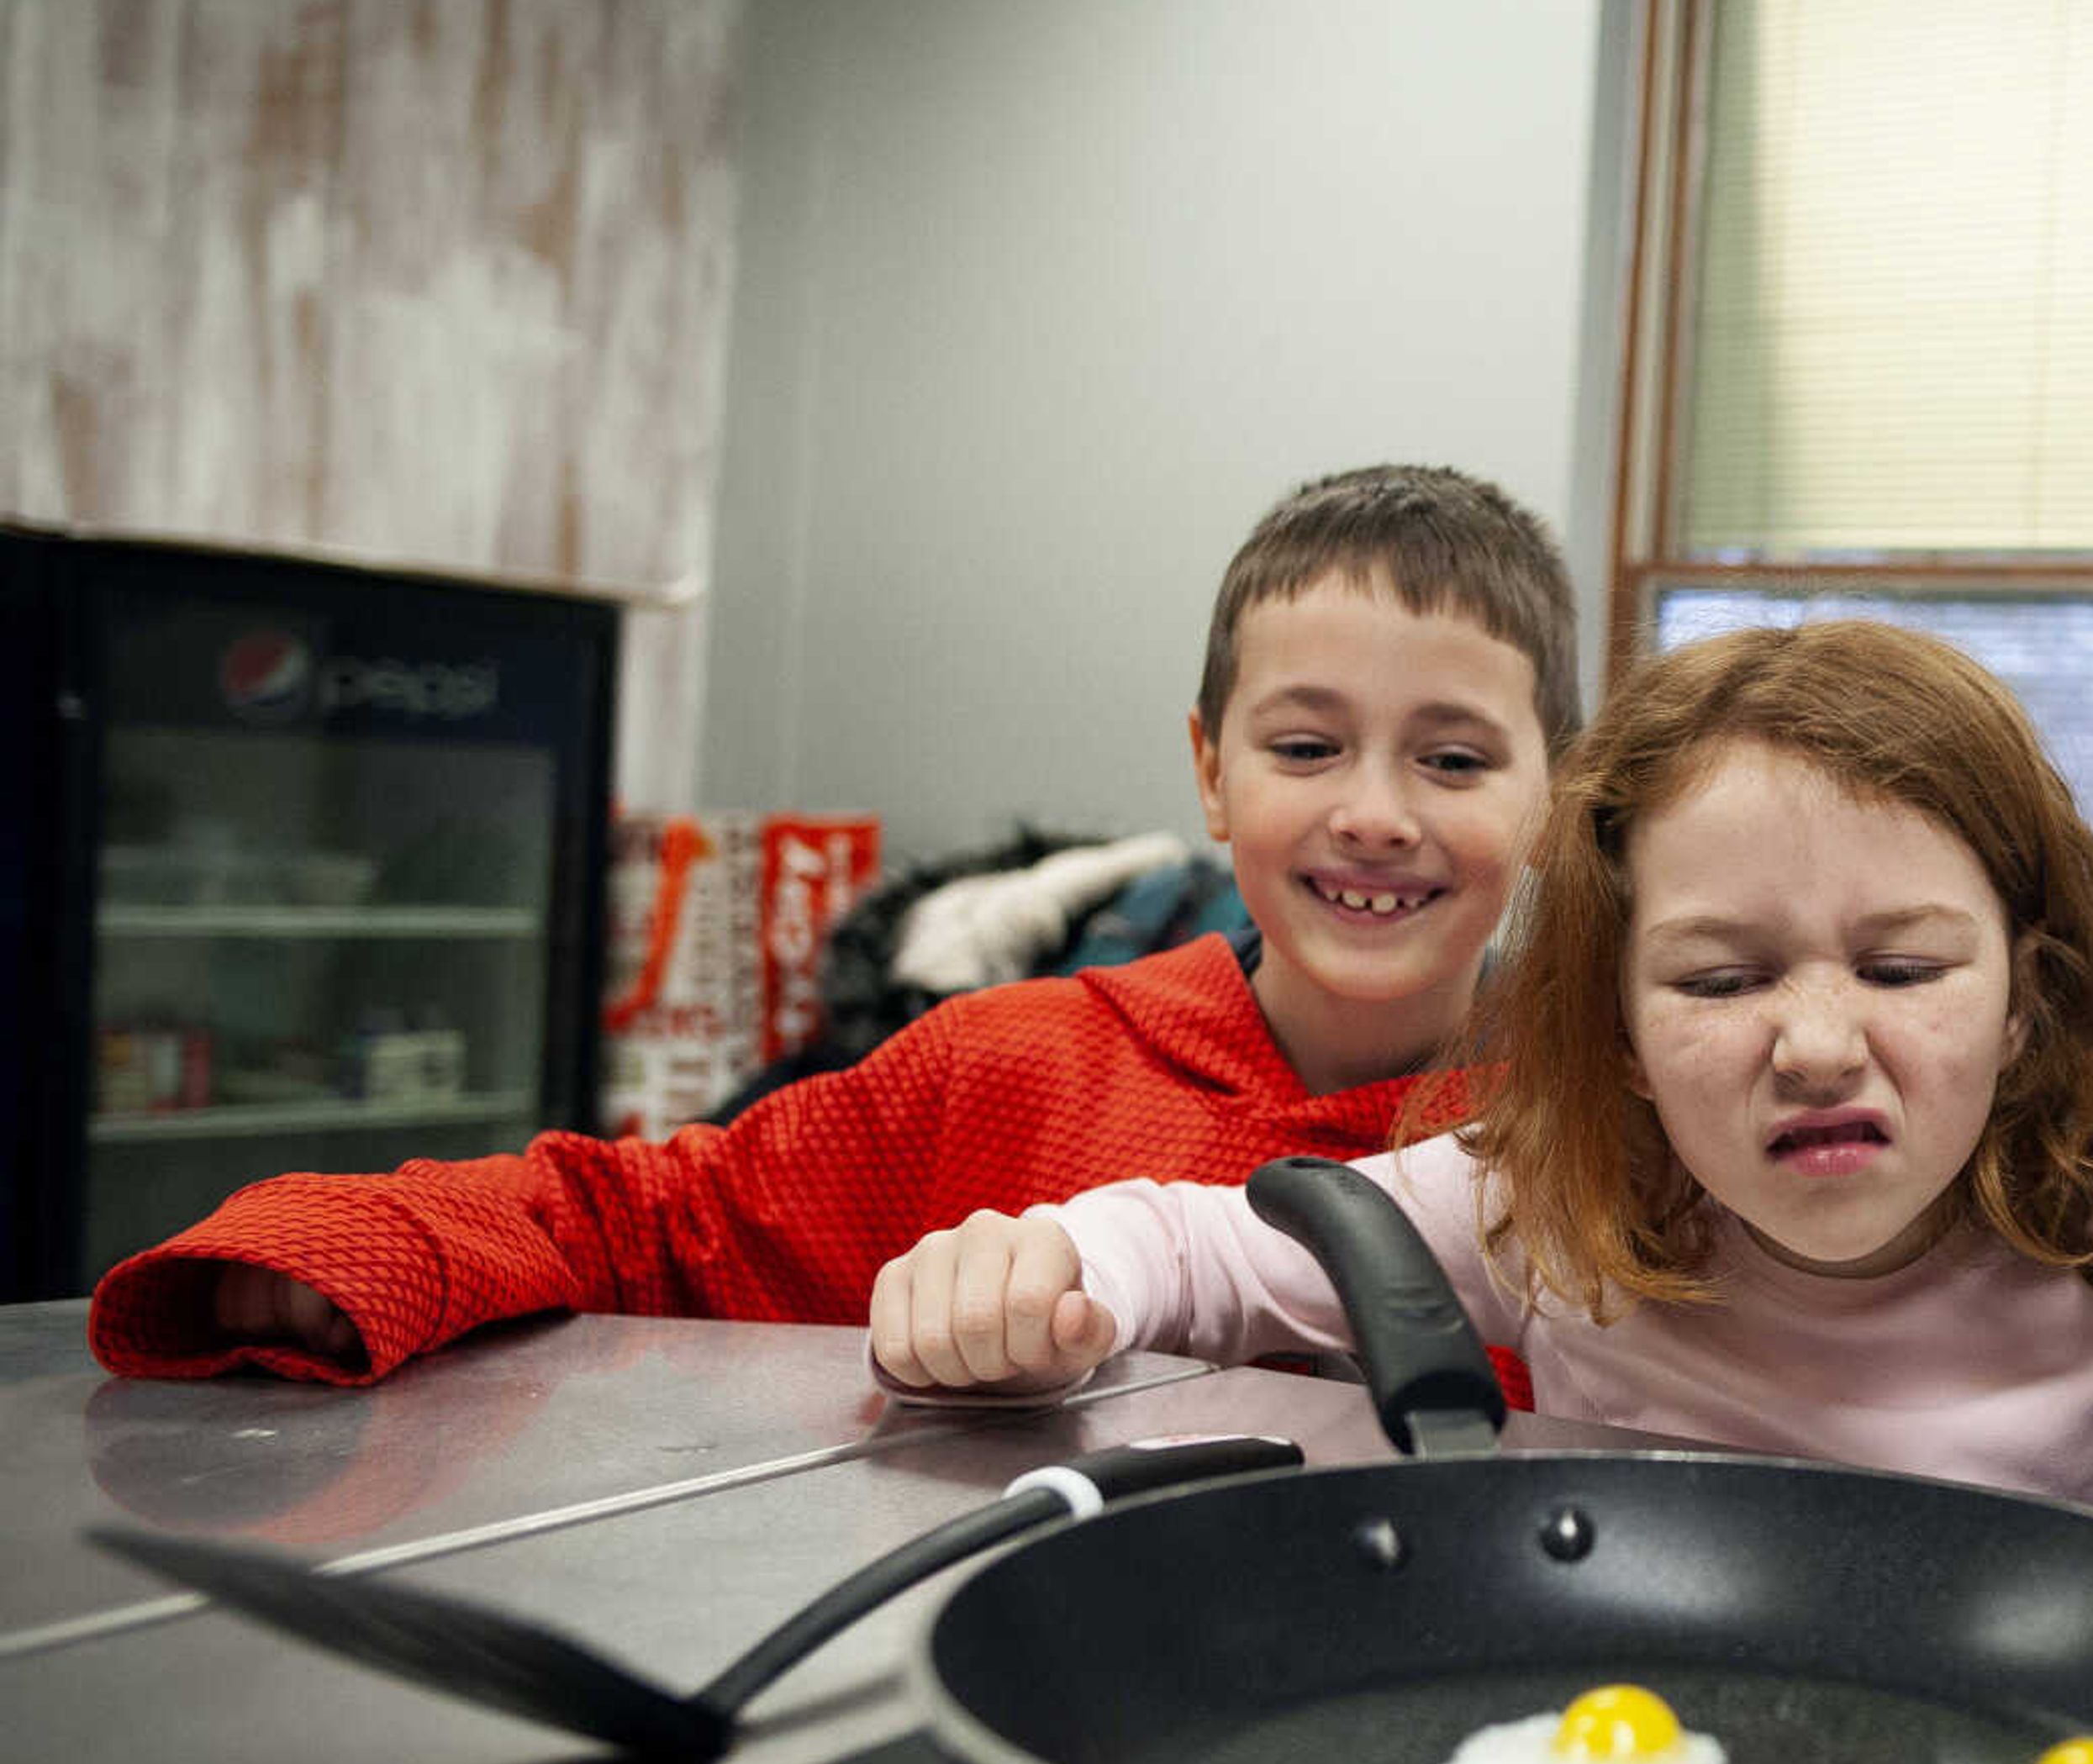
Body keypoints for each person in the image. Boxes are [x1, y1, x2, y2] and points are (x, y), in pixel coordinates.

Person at [88, 464, 1580, 1390]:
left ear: (1555, 791)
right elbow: (646, 1224)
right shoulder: (1008, 1070)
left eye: (1452, 759)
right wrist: (329, 1259)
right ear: (1209, 768)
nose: (1375, 814)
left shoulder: (1617, 1140)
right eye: (1307, 748)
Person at [868, 619, 2093, 1509]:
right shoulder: (1561, 1202)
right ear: (1617, 1034)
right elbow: (1194, 1248)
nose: (1820, 1048)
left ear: (2027, 1000)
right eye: (1721, 982)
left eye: (1902, 971)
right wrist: (1039, 1281)